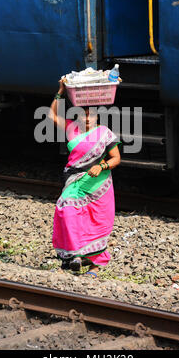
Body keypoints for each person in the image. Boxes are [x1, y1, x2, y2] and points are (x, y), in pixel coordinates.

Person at [48, 79, 121, 277]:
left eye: (91, 116)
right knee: (66, 210)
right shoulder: (72, 129)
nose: (87, 119)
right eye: (84, 115)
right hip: (75, 180)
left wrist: (101, 166)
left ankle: (95, 266)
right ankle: (75, 255)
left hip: (99, 184)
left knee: (95, 222)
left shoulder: (105, 134)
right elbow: (51, 115)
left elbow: (116, 159)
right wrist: (61, 91)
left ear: (98, 117)